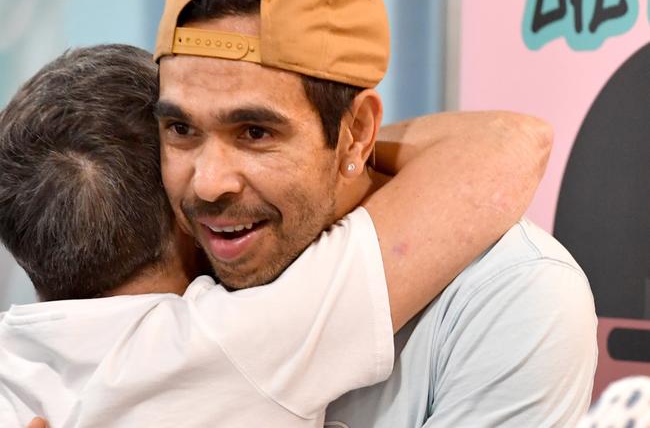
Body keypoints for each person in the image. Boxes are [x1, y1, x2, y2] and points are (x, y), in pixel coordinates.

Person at [152, 0, 597, 426]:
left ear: (357, 134)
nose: (209, 183)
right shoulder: (154, 257)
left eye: (256, 133)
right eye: (181, 130)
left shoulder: (510, 297)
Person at [0, 39, 546, 428]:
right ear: (182, 209)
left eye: (248, 134)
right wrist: (327, 148)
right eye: (186, 135)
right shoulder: (235, 341)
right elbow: (511, 143)